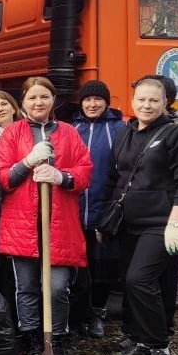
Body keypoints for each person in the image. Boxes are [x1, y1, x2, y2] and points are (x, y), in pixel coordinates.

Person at [102, 77, 178, 355]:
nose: (146, 105)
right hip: (127, 223)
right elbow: (115, 179)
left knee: (140, 279)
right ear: (132, 102)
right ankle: (140, 340)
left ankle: (161, 347)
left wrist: (176, 223)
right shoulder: (125, 132)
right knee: (128, 281)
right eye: (141, 99)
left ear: (165, 103)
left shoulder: (176, 134)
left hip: (160, 224)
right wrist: (105, 218)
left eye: (153, 100)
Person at [0, 76, 92, 355]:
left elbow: (85, 170)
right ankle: (33, 341)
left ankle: (56, 340)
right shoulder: (12, 133)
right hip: (22, 224)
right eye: (32, 97)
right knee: (26, 287)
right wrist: (27, 162)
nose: (38, 102)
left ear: (53, 100)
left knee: (57, 288)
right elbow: (3, 177)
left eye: (44, 97)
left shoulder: (69, 133)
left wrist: (61, 176)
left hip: (59, 223)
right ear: (23, 102)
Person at [71, 80, 126, 338]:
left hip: (104, 209)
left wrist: (114, 205)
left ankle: (97, 314)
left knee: (102, 268)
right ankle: (77, 315)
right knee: (77, 268)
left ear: (106, 102)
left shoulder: (119, 129)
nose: (92, 104)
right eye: (87, 99)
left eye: (97, 99)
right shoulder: (72, 129)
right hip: (74, 209)